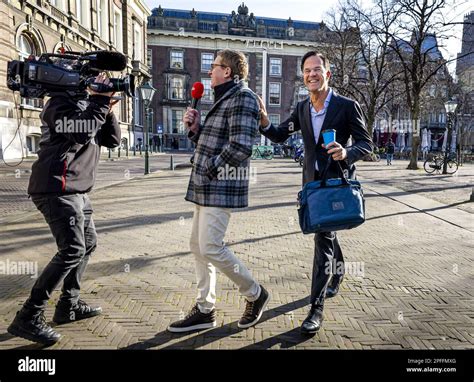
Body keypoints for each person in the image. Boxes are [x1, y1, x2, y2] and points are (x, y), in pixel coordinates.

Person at [257, 51, 373, 335]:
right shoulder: (302, 109)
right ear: (303, 75)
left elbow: (366, 144)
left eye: (317, 69)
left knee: (322, 240)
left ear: (327, 74)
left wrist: (346, 153)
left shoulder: (347, 106)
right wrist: (264, 122)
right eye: (307, 70)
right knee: (326, 231)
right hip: (311, 183)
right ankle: (340, 271)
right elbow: (281, 134)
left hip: (336, 183)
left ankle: (315, 308)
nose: (312, 74)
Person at [7, 73, 121, 345]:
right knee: (72, 249)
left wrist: (107, 108)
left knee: (88, 244)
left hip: (77, 189)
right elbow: (81, 131)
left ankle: (68, 305)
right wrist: (99, 103)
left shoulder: (88, 106)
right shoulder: (58, 104)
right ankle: (28, 316)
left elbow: (112, 140)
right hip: (55, 187)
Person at [167, 49, 270, 333]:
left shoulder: (243, 97)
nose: (209, 71)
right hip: (204, 184)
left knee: (211, 246)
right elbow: (211, 141)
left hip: (220, 184)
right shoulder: (222, 99)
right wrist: (194, 128)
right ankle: (205, 310)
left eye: (214, 66)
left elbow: (241, 145)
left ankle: (254, 292)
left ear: (228, 71)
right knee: (198, 247)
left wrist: (210, 168)